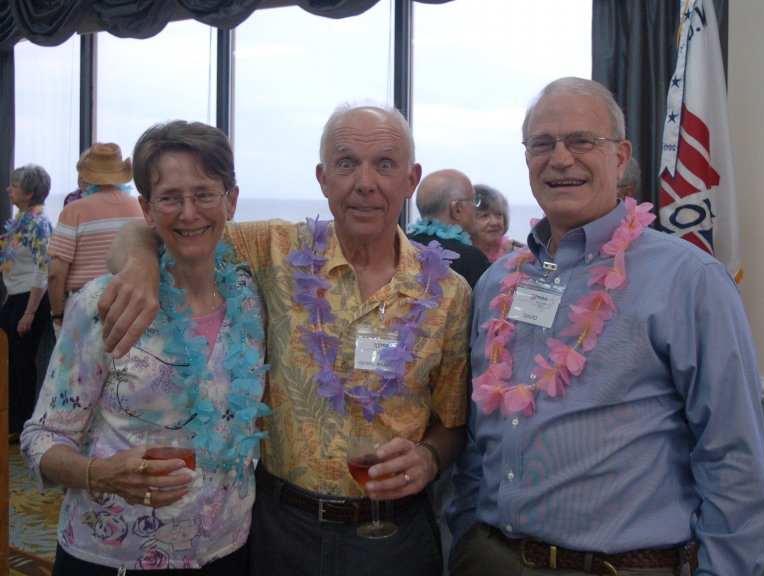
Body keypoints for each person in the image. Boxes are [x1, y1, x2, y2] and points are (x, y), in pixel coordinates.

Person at [98, 104, 471, 576]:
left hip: (393, 536)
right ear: (323, 178)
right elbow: (168, 226)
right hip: (281, 530)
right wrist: (139, 262)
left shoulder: (448, 293)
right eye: (346, 163)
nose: (365, 182)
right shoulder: (274, 250)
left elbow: (453, 423)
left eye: (384, 164)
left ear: (410, 179)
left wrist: (429, 458)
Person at [448, 77, 764, 575]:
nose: (560, 159)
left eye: (581, 141)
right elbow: (477, 439)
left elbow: (733, 457)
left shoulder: (689, 279)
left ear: (620, 158)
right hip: (489, 559)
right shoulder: (496, 283)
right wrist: (465, 538)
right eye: (542, 144)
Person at [21, 120, 269, 574]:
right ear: (146, 210)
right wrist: (101, 474)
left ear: (231, 201)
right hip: (114, 556)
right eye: (170, 198)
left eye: (205, 194)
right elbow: (41, 439)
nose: (189, 213)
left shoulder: (252, 299)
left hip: (227, 550)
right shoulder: (102, 304)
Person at [47, 142, 144, 338]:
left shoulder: (74, 211)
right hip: (131, 303)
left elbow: (56, 274)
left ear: (88, 175)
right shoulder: (140, 208)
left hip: (84, 305)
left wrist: (57, 316)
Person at [0, 164, 53, 439]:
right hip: (17, 295)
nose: (9, 190)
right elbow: (14, 265)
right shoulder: (21, 220)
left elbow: (42, 267)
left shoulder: (38, 223)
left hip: (32, 299)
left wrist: (29, 312)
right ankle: (9, 416)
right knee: (7, 357)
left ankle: (20, 423)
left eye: (15, 186)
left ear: (30, 193)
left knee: (22, 361)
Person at [407, 169, 490, 288]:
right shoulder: (471, 258)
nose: (475, 207)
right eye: (473, 199)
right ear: (457, 209)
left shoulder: (401, 244)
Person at [471, 184, 524, 263]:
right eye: (484, 216)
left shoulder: (521, 252)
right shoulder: (458, 254)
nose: (494, 222)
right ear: (469, 220)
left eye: (498, 214)